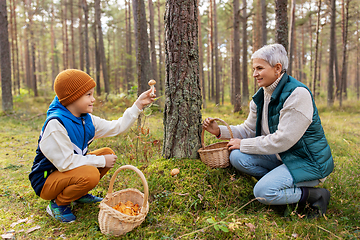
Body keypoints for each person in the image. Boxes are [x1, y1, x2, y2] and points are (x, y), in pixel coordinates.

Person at [203, 44, 333, 217]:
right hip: (282, 157)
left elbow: (283, 140)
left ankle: (315, 195)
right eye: (253, 68)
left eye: (259, 68)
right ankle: (280, 183)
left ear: (277, 68)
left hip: (306, 162)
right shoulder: (262, 95)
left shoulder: (297, 94)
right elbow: (248, 129)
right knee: (236, 156)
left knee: (263, 193)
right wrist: (218, 130)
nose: (254, 74)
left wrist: (243, 143)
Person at [29, 69, 155, 223]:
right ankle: (58, 204)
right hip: (46, 181)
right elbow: (65, 163)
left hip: (66, 173)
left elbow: (117, 127)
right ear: (72, 98)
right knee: (91, 173)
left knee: (106, 153)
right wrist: (101, 162)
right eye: (88, 95)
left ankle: (77, 195)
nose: (93, 99)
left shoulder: (86, 119)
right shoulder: (56, 124)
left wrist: (138, 104)